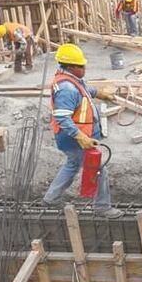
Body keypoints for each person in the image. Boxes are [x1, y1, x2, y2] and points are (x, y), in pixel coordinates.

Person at [42, 44, 122, 218]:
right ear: (70, 67)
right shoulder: (67, 88)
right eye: (81, 66)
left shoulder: (71, 79)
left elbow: (84, 90)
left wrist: (100, 93)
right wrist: (80, 137)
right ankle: (102, 207)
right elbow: (62, 118)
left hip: (76, 136)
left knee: (73, 164)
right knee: (98, 169)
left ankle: (51, 198)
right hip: (74, 137)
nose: (84, 69)